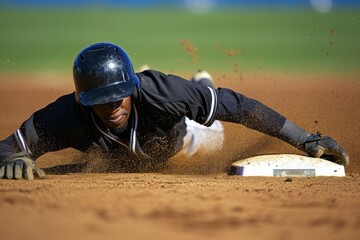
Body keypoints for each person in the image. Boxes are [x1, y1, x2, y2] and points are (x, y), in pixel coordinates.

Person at [0, 42, 349, 180]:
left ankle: (202, 85)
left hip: (187, 141)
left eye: (119, 94)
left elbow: (237, 106)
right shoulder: (65, 115)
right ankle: (198, 87)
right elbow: (7, 148)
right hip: (142, 139)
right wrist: (10, 157)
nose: (111, 106)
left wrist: (305, 139)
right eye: (99, 100)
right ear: (82, 100)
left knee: (208, 115)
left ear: (131, 89)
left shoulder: (159, 94)